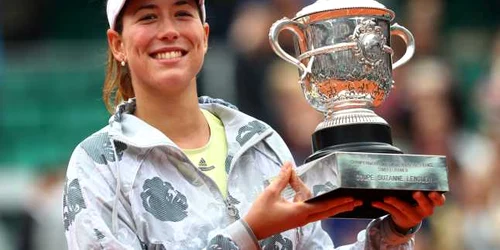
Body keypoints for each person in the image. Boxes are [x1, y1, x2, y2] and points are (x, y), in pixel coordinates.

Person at [62, 0, 446, 249]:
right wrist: (248, 233)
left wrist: (391, 235)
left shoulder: (260, 141)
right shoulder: (97, 163)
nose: (169, 30)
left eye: (183, 13)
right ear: (118, 44)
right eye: (148, 16)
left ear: (205, 35)